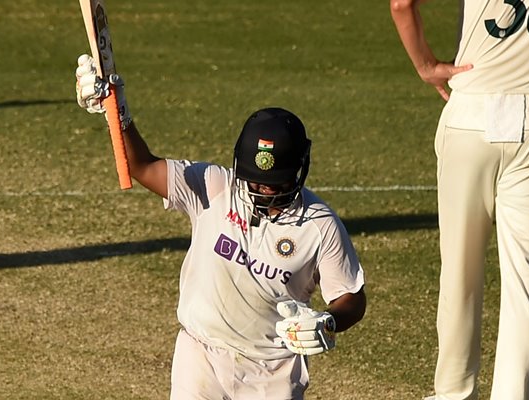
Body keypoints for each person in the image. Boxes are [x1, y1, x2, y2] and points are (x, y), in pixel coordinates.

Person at [75, 54, 366, 400]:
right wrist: (115, 111)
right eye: (256, 183)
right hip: (201, 353)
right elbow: (142, 166)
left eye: (275, 184)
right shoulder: (214, 187)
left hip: (270, 372)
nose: (264, 191)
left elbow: (351, 297)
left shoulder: (319, 225)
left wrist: (327, 321)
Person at [390, 1, 529, 399]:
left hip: (470, 115)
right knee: (526, 279)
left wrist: (426, 66)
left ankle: (452, 393)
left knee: (459, 268)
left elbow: (402, 4)